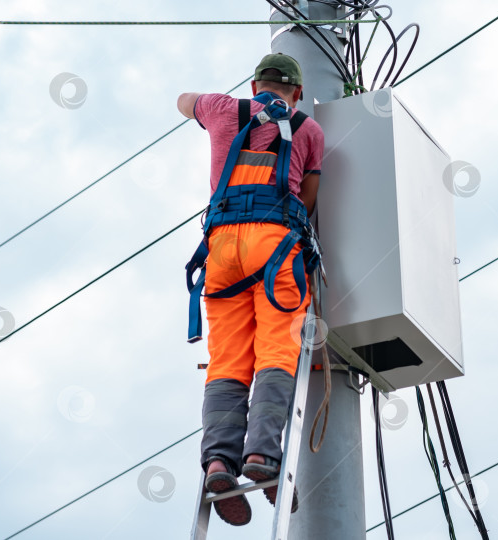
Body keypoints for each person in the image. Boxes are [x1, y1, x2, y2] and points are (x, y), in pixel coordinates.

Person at [177, 53, 324, 526]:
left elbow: (183, 101)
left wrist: (207, 108)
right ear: (297, 93)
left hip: (220, 252)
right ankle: (262, 454)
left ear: (255, 83)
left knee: (227, 363)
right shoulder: (308, 130)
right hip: (274, 247)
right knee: (277, 352)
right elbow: (309, 199)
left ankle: (219, 462)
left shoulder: (222, 109)